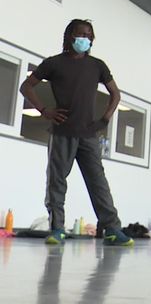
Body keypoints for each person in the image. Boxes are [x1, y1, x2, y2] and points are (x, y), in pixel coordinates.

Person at [19, 19, 133, 246]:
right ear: (70, 36)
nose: (86, 39)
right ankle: (57, 229)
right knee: (56, 182)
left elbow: (115, 94)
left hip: (88, 135)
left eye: (90, 35)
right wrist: (45, 110)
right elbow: (26, 86)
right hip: (62, 133)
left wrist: (105, 119)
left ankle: (111, 228)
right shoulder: (54, 63)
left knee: (98, 183)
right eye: (82, 34)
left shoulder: (97, 66)